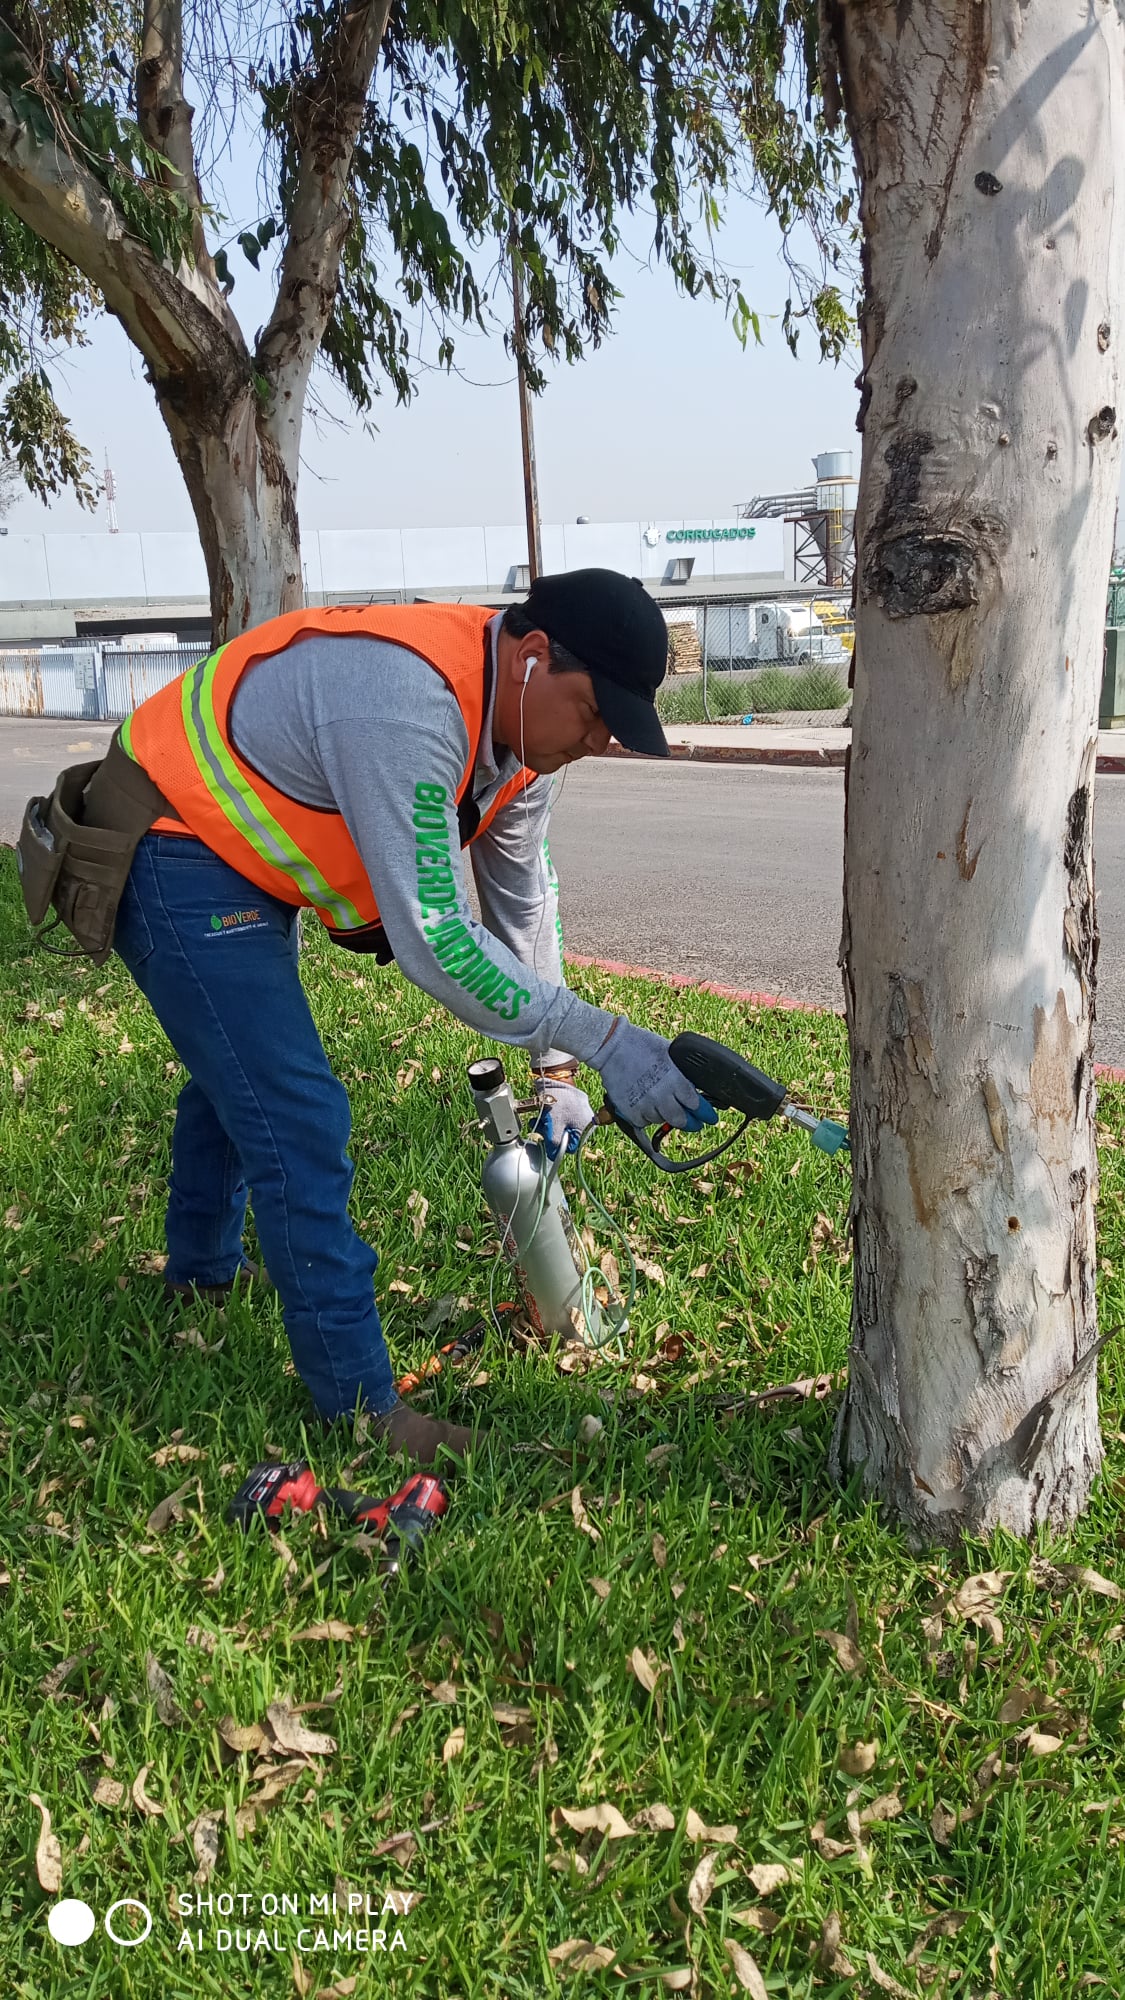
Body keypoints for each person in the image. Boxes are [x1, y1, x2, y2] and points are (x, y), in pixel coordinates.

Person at [104, 567, 715, 1462]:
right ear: (534, 659)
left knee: (238, 1067)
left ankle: (195, 1283)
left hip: (239, 847)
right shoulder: (407, 706)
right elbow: (438, 943)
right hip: (170, 835)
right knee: (296, 1114)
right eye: (592, 713)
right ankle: (363, 1410)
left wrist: (557, 1073)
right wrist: (607, 1037)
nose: (595, 741)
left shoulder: (522, 747)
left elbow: (520, 914)